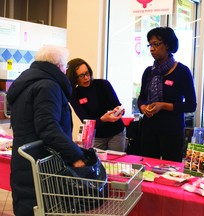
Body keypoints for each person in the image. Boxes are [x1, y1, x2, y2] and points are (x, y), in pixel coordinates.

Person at [6, 45, 86, 216]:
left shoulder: (25, 83)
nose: (66, 70)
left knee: (27, 207)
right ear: (58, 66)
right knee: (41, 207)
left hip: (24, 159)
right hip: (42, 163)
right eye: (65, 66)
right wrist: (76, 155)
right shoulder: (48, 86)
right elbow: (48, 128)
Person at [137, 27, 197, 162]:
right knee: (147, 167)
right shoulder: (148, 72)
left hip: (172, 129)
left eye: (156, 44)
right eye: (150, 45)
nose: (152, 48)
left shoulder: (182, 71)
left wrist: (163, 106)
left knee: (172, 170)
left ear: (168, 45)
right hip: (149, 128)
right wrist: (143, 108)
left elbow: (191, 105)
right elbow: (141, 99)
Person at [66, 58, 126, 152]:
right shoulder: (74, 95)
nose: (86, 77)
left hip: (116, 132)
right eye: (81, 75)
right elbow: (85, 120)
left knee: (116, 164)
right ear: (74, 78)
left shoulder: (103, 84)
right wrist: (103, 119)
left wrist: (120, 110)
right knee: (97, 163)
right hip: (96, 135)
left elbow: (117, 105)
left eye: (87, 73)